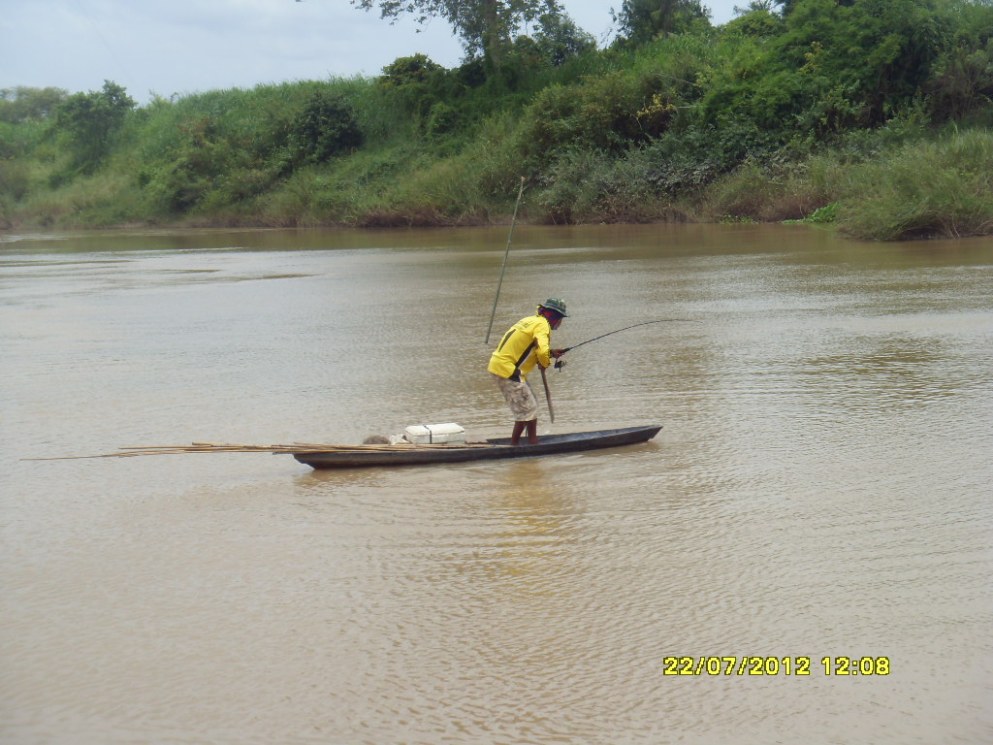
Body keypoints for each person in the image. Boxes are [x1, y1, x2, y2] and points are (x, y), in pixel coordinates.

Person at [487, 298, 568, 445]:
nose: (560, 324)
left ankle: (532, 442)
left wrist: (551, 353)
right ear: (555, 317)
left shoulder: (531, 320)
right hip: (508, 370)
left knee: (530, 406)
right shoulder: (543, 325)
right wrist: (545, 362)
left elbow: (530, 348)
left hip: (501, 366)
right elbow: (541, 351)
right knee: (527, 410)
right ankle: (515, 446)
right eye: (561, 319)